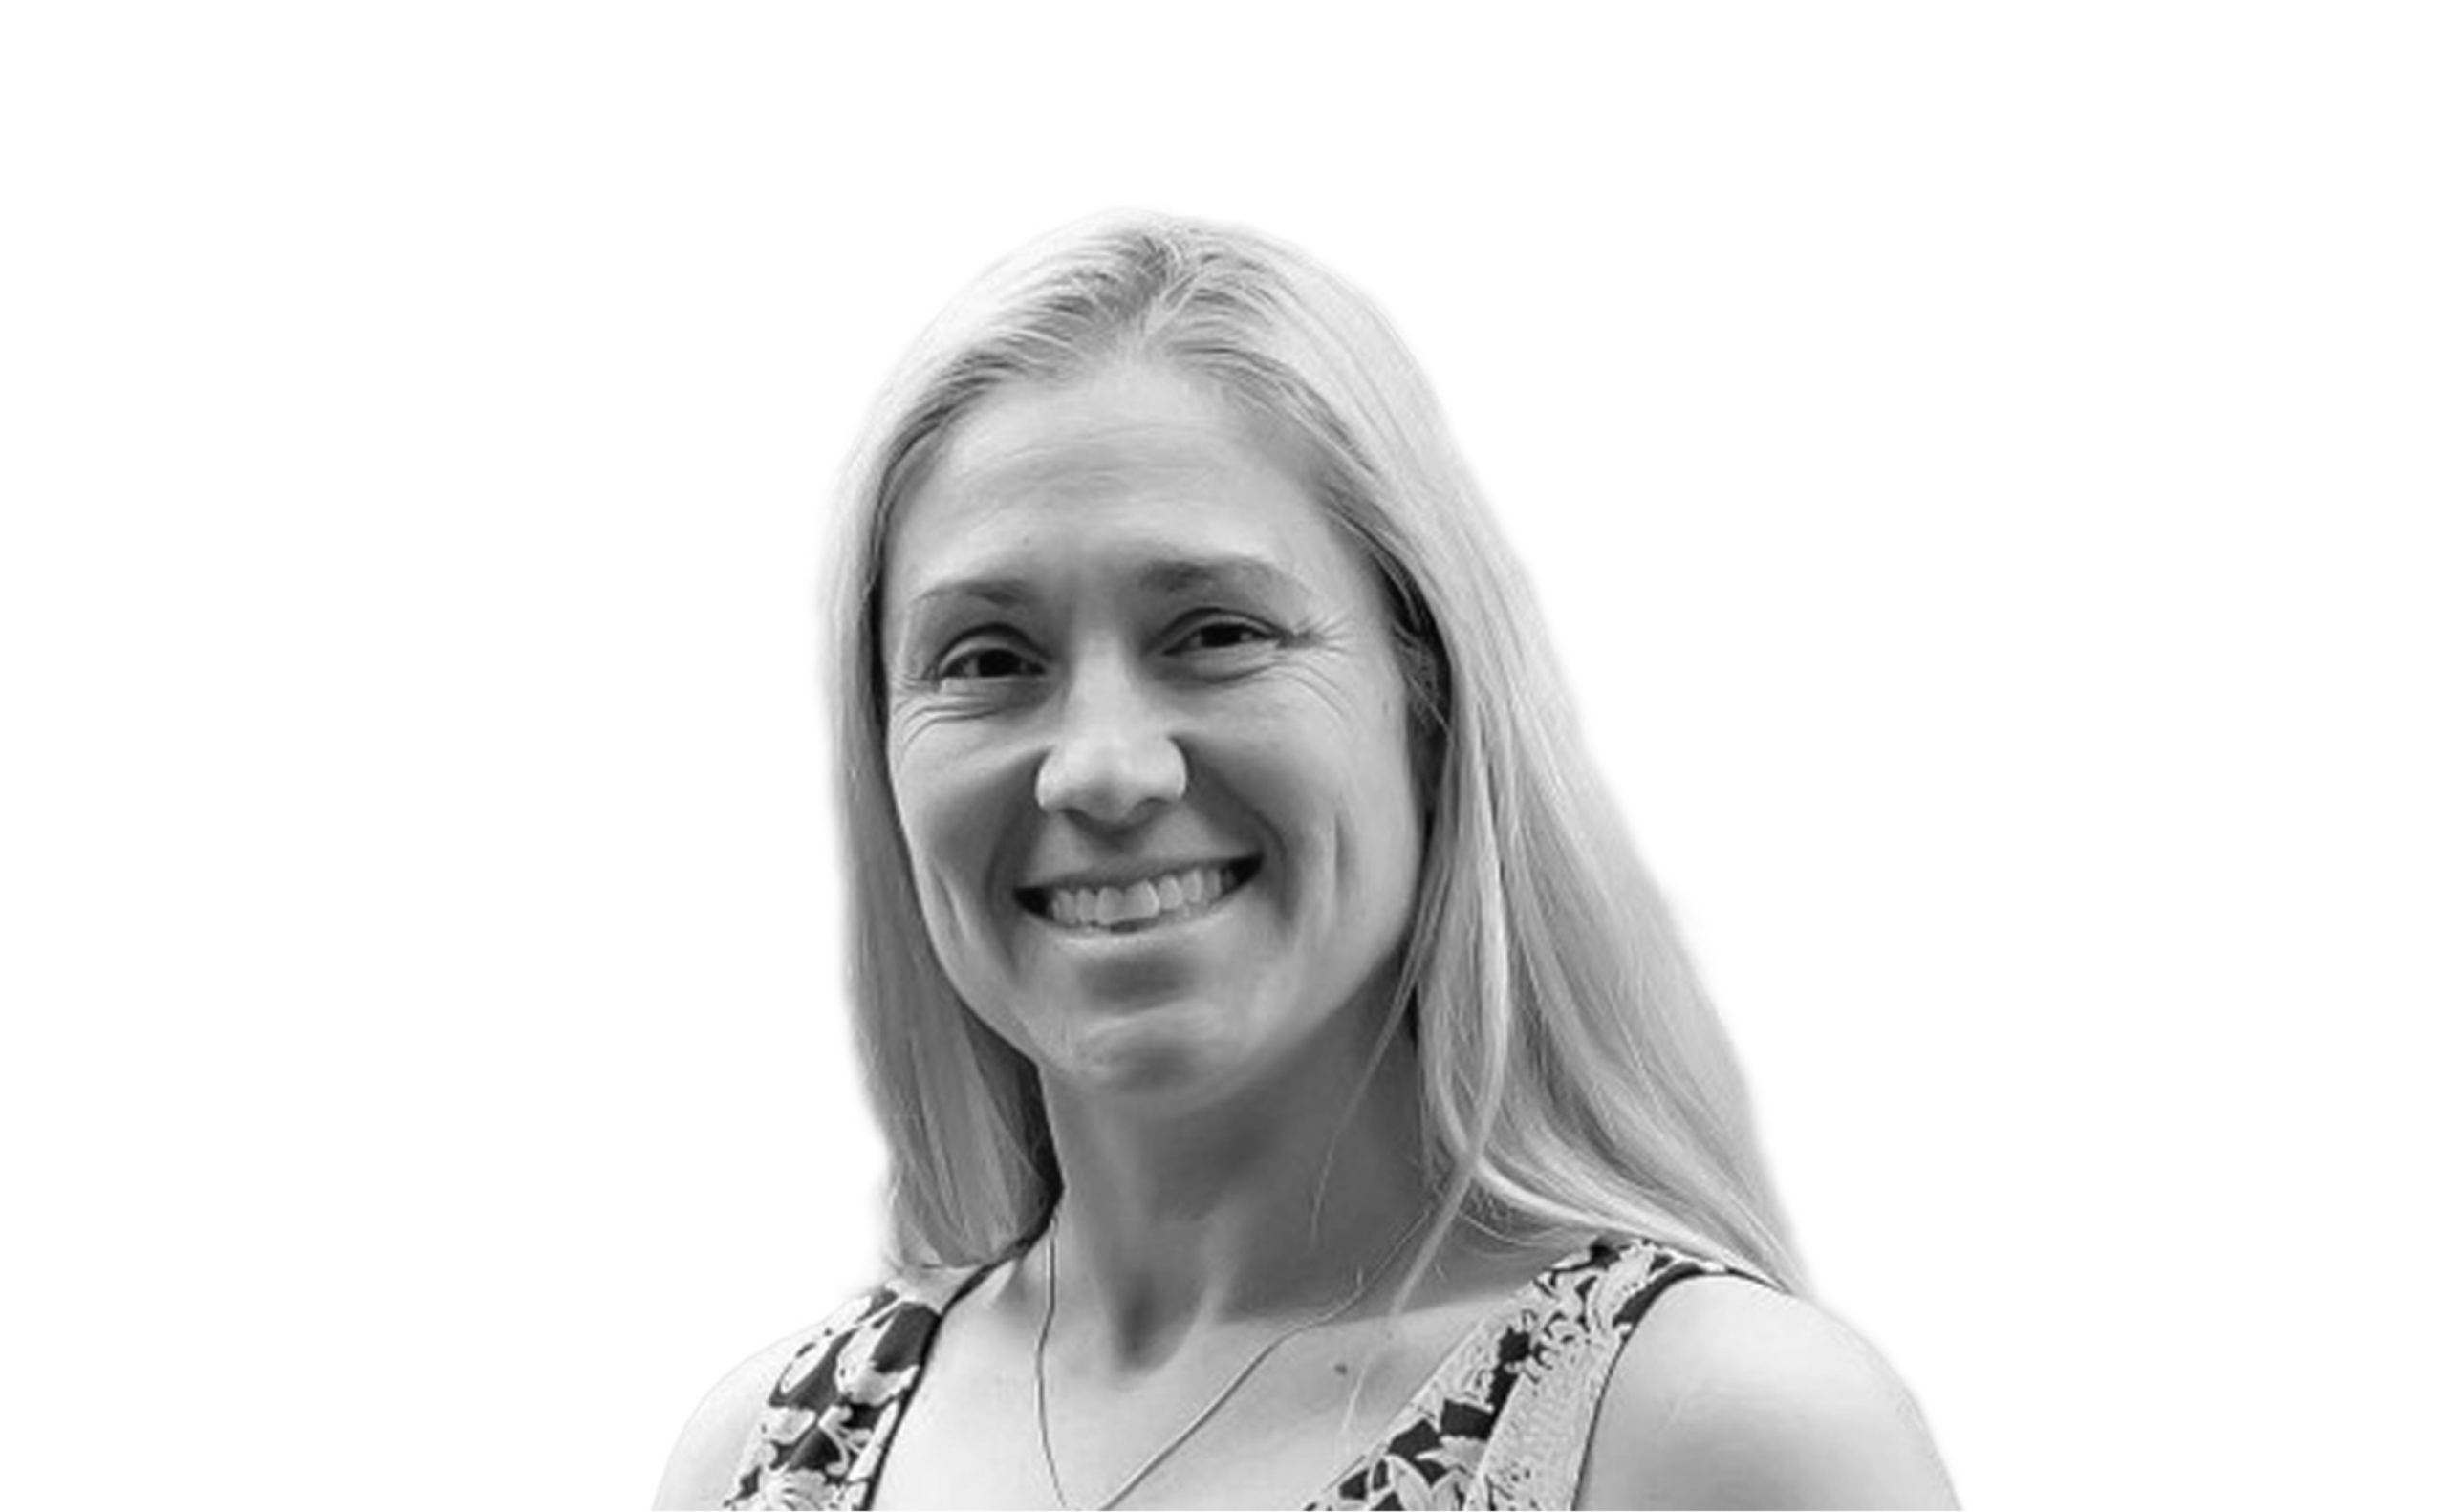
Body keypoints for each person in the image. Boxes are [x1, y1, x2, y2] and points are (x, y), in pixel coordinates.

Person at [656, 212, 1958, 1510]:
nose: (1103, 766)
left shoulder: (1706, 1430)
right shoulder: (765, 1460)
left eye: (1216, 632)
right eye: (988, 658)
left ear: (1431, 701)